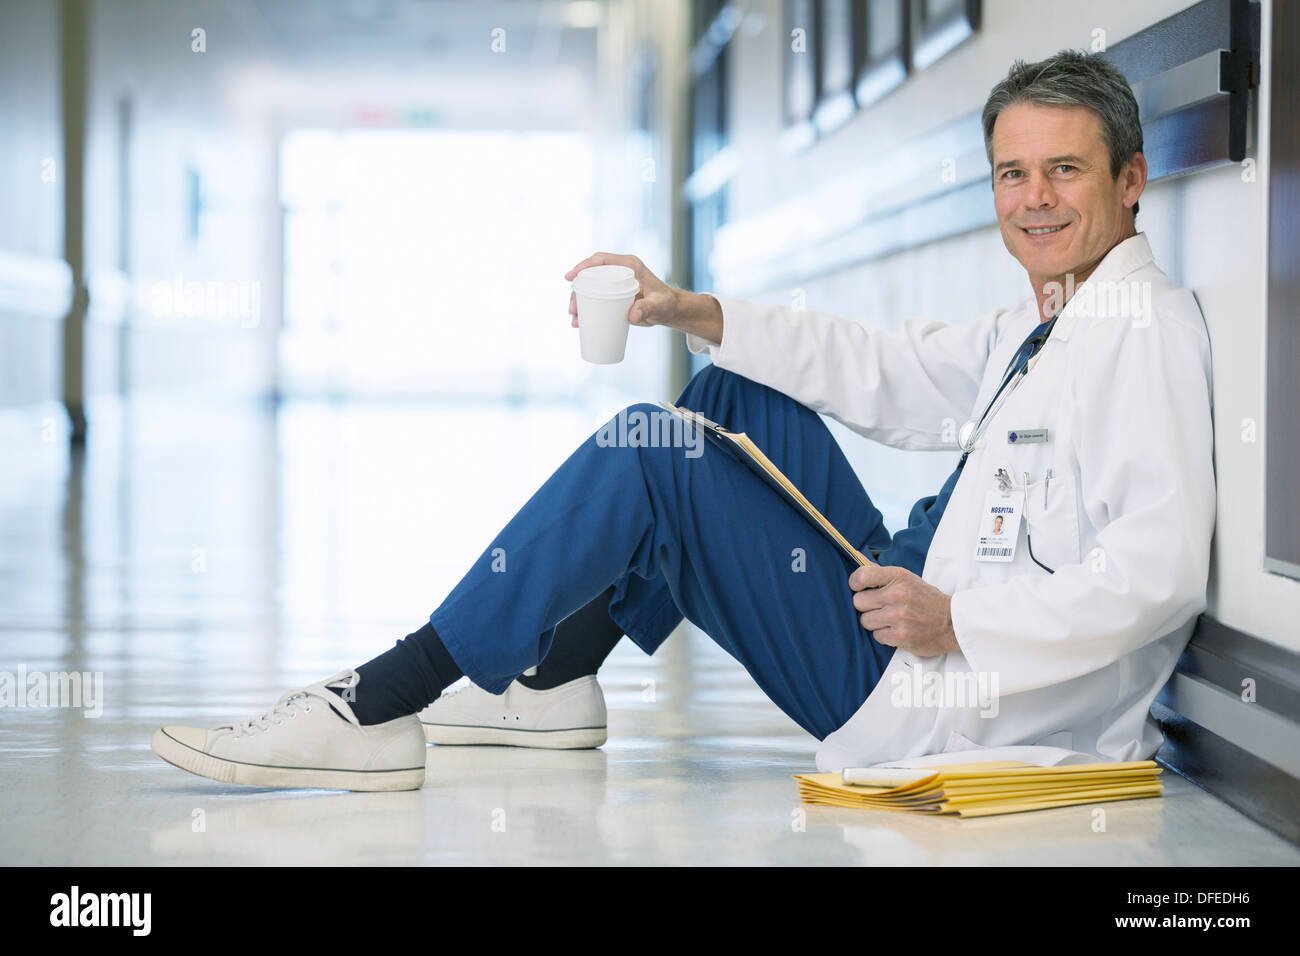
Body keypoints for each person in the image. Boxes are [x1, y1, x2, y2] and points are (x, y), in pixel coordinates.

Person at [150, 49, 1215, 791]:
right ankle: (558, 680)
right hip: (910, 603)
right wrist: (688, 307)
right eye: (1011, 173)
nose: (1033, 199)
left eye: (1063, 170)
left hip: (935, 689)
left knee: (647, 455)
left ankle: (383, 699)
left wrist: (959, 624)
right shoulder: (1053, 321)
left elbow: (1158, 570)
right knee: (734, 395)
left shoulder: (1144, 330)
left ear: (1130, 179)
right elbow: (891, 370)